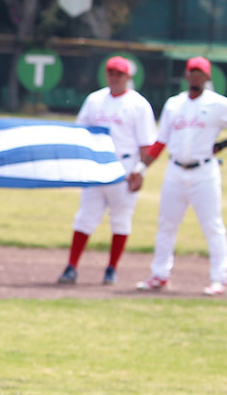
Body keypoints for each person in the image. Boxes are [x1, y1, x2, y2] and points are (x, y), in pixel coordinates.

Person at [136, 56, 227, 296]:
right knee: (166, 225)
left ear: (208, 76)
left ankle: (219, 279)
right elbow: (160, 141)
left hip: (204, 172)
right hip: (174, 170)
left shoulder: (217, 104)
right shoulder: (174, 104)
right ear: (186, 75)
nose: (196, 77)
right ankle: (159, 274)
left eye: (200, 73)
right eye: (193, 72)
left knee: (212, 226)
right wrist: (141, 169)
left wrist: (223, 144)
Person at [55, 56, 157, 287]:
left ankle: (111, 269)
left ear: (128, 76)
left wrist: (141, 171)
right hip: (96, 167)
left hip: (124, 167)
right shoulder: (95, 100)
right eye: (111, 73)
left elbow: (146, 144)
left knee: (120, 220)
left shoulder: (138, 104)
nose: (114, 77)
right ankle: (71, 266)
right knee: (84, 218)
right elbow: (80, 133)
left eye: (119, 74)